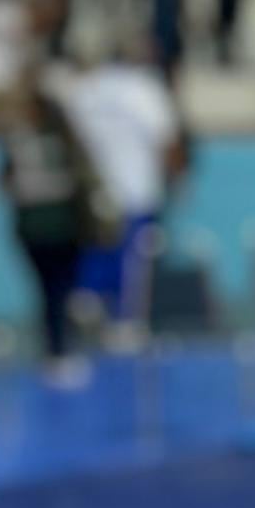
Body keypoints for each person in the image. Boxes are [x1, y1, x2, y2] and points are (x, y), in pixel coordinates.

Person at [62, 31, 188, 332]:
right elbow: (167, 141)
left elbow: (68, 141)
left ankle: (86, 310)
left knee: (94, 253)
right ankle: (126, 323)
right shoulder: (144, 89)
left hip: (93, 194)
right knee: (133, 263)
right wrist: (178, 177)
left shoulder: (84, 89)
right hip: (135, 190)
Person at [0, 70, 100, 384]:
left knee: (51, 293)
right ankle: (59, 351)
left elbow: (4, 182)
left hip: (39, 229)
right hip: (57, 228)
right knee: (58, 291)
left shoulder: (22, 141)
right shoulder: (61, 142)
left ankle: (57, 350)